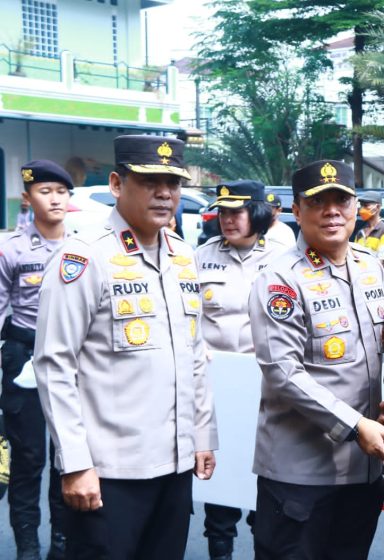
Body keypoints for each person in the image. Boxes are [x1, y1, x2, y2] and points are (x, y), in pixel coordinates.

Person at [32, 135, 218, 559]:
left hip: (174, 466)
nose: (165, 193)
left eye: (173, 182)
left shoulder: (183, 256)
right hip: (108, 472)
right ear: (117, 184)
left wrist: (202, 435)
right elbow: (54, 364)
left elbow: (193, 354)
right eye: (150, 182)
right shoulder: (84, 257)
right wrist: (76, 463)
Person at [248, 160, 384, 559]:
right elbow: (283, 372)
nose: (332, 211)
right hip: (301, 473)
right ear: (297, 210)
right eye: (318, 202)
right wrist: (355, 425)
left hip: (362, 469)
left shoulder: (369, 266)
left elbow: (381, 338)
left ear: (356, 208)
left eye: (342, 200)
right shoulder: (280, 278)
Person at [196, 181, 284, 560]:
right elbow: (189, 315)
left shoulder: (285, 257)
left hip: (268, 388)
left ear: (259, 214)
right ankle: (220, 549)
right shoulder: (200, 257)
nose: (228, 220)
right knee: (220, 474)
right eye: (223, 212)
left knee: (265, 480)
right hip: (217, 386)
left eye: (237, 212)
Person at [0, 161, 72, 560]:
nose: (55, 199)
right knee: (28, 458)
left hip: (71, 359)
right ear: (28, 199)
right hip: (22, 355)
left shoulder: (83, 247)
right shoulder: (10, 250)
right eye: (46, 192)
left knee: (68, 455)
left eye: (61, 192)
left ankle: (62, 542)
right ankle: (28, 544)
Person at [354, 190, 384, 275]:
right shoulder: (361, 232)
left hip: (377, 279)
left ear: (377, 208)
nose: (362, 209)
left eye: (366, 206)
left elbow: (383, 262)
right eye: (361, 206)